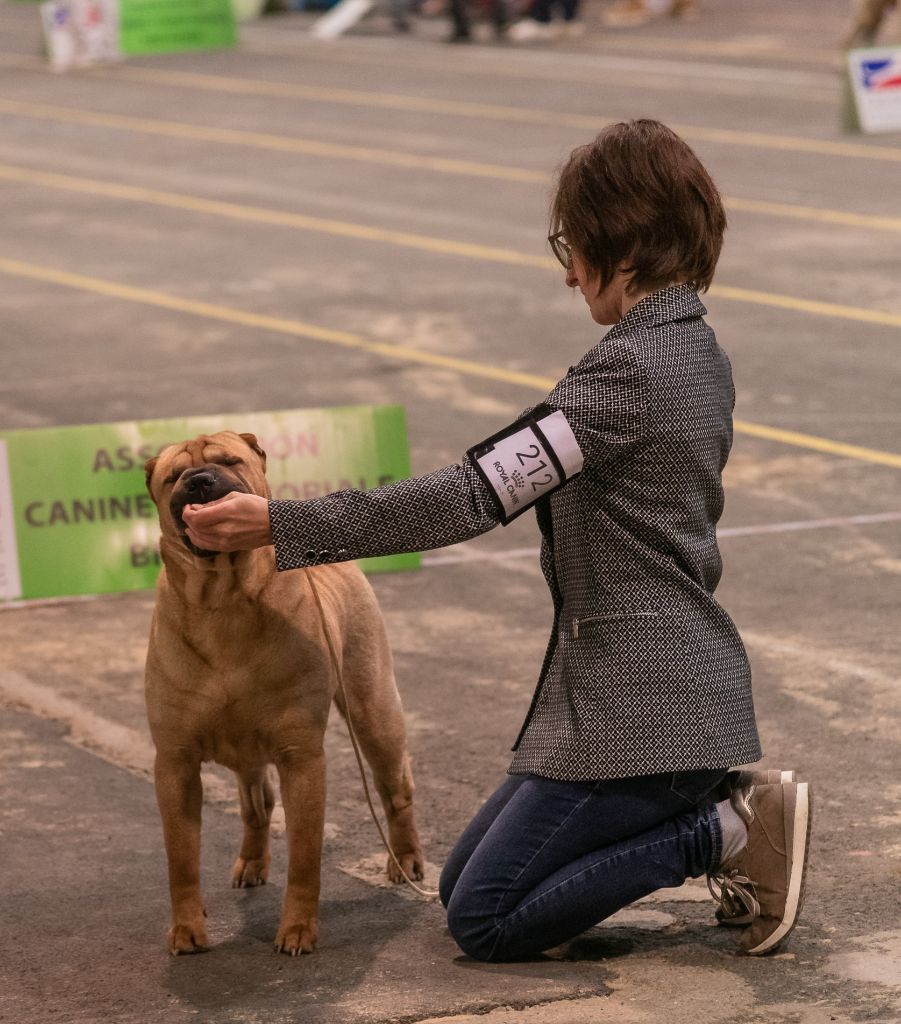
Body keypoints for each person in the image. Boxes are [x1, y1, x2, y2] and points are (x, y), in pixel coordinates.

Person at [182, 119, 812, 962]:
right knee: (463, 882)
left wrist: (283, 523)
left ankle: (724, 829)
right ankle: (700, 807)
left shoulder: (624, 375)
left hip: (646, 712)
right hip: (642, 694)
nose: (566, 272)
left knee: (484, 918)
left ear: (621, 243)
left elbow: (469, 497)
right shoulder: (692, 347)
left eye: (574, 244)